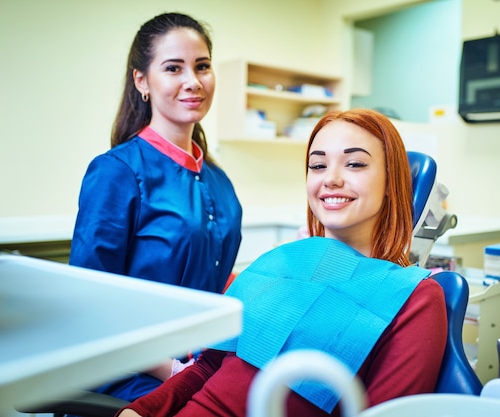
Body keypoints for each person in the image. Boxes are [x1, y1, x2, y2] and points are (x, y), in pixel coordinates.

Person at [116, 109, 447, 417]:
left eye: (355, 164)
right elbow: (206, 370)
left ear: (392, 183)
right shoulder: (278, 262)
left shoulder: (413, 299)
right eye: (318, 166)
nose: (330, 178)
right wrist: (139, 411)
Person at [68, 12, 242, 402]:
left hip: (201, 364)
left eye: (202, 66)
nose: (192, 82)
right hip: (129, 373)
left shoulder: (219, 181)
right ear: (142, 81)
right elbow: (89, 304)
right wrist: (173, 370)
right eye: (173, 68)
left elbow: (213, 276)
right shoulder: (117, 172)